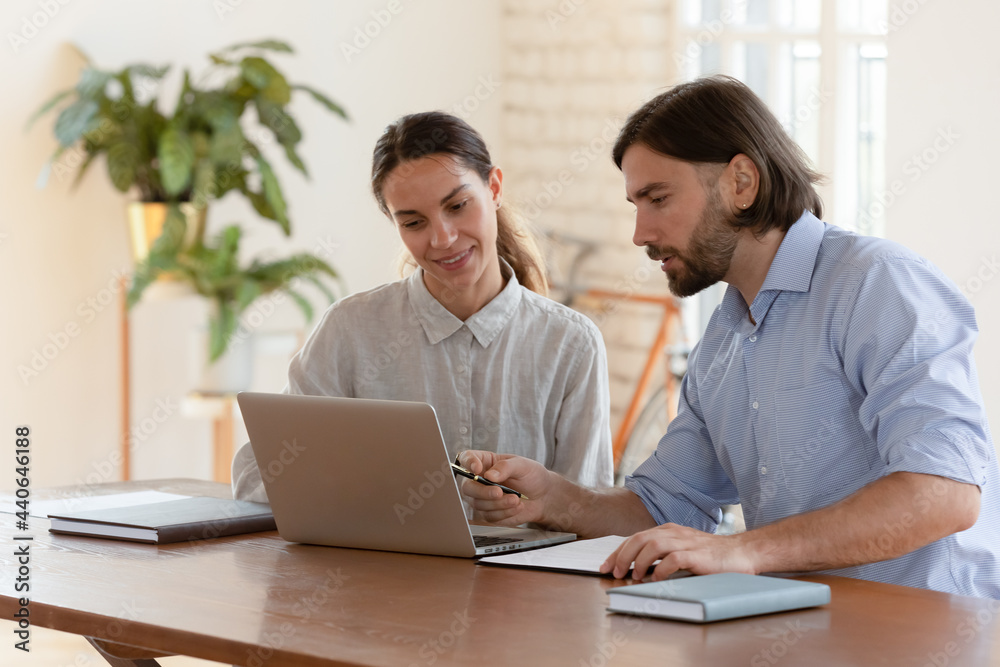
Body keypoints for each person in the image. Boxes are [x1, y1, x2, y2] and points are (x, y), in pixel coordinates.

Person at [457, 75, 1000, 599]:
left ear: (741, 183)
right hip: (801, 632)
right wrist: (558, 498)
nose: (640, 233)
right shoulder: (725, 332)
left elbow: (942, 493)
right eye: (636, 205)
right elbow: (667, 503)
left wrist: (742, 551)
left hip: (933, 634)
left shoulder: (878, 284)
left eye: (659, 198)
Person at [232, 111, 613, 503]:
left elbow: (588, 510)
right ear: (394, 223)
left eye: (458, 205)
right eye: (414, 223)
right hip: (380, 565)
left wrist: (534, 511)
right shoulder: (350, 330)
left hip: (525, 567)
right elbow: (257, 477)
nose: (443, 238)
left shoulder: (571, 344)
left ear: (494, 188)